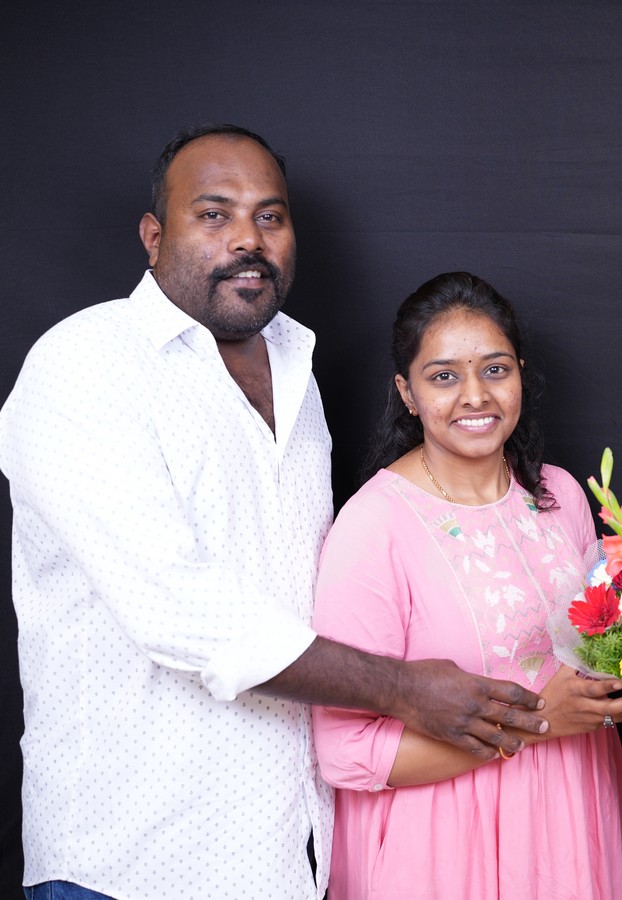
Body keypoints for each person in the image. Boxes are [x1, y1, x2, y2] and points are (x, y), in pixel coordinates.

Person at [0, 125, 550, 900]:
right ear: (154, 236)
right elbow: (178, 611)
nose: (247, 239)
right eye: (214, 214)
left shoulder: (294, 365)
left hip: (287, 853)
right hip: (132, 858)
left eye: (270, 216)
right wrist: (403, 689)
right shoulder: (88, 363)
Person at [310, 271, 622, 899]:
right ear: (407, 393)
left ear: (520, 375)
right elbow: (345, 752)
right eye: (444, 377)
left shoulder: (561, 495)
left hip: (571, 814)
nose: (475, 396)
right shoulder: (374, 526)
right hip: (443, 847)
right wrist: (538, 722)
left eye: (495, 370)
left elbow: (590, 653)